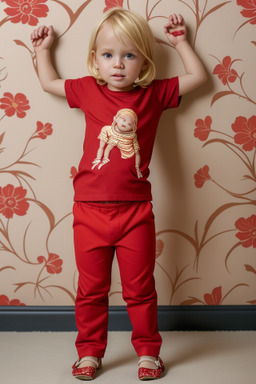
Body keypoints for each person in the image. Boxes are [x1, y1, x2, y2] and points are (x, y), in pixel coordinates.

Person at [31, 8, 207, 381]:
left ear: (144, 59)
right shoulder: (86, 89)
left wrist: (181, 42)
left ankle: (148, 353)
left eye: (129, 55)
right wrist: (43, 50)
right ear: (95, 57)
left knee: (140, 290)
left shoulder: (154, 94)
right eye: (109, 55)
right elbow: (49, 83)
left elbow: (197, 77)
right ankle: (90, 352)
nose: (118, 65)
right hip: (88, 212)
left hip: (136, 212)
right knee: (91, 290)